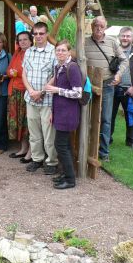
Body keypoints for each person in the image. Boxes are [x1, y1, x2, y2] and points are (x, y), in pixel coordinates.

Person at [85, 16, 129, 161]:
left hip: (108, 85)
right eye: (96, 25)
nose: (98, 28)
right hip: (89, 86)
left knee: (105, 119)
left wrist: (118, 75)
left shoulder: (112, 42)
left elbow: (124, 60)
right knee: (87, 117)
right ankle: (87, 148)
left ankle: (104, 153)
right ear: (91, 26)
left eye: (101, 26)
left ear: (106, 27)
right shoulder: (84, 42)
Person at [45, 40, 82, 189]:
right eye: (58, 50)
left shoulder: (72, 68)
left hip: (68, 113)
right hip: (59, 112)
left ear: (69, 52)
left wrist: (57, 90)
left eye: (63, 50)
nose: (60, 53)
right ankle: (66, 174)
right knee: (65, 145)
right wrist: (53, 112)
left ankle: (70, 179)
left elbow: (77, 93)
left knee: (60, 145)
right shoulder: (58, 67)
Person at [22, 21, 58, 174]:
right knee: (34, 132)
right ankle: (36, 159)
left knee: (49, 134)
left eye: (41, 33)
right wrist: (31, 91)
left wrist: (41, 92)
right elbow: (24, 73)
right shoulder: (29, 51)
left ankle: (51, 162)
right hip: (31, 99)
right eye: (35, 34)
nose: (38, 36)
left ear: (47, 34)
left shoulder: (54, 52)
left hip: (47, 100)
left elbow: (56, 76)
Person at [110, 26, 133, 149]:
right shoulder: (113, 51)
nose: (125, 38)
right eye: (123, 36)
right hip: (113, 89)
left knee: (131, 117)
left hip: (129, 91)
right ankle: (107, 140)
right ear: (119, 37)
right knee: (109, 117)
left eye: (128, 36)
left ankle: (131, 142)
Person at [7, 31, 33, 162]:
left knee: (28, 123)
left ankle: (30, 152)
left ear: (30, 41)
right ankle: (23, 149)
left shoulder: (33, 53)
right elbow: (9, 69)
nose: (22, 42)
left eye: (25, 39)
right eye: (20, 40)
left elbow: (28, 71)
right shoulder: (17, 53)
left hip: (27, 91)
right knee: (19, 122)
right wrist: (11, 72)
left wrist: (16, 73)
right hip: (15, 91)